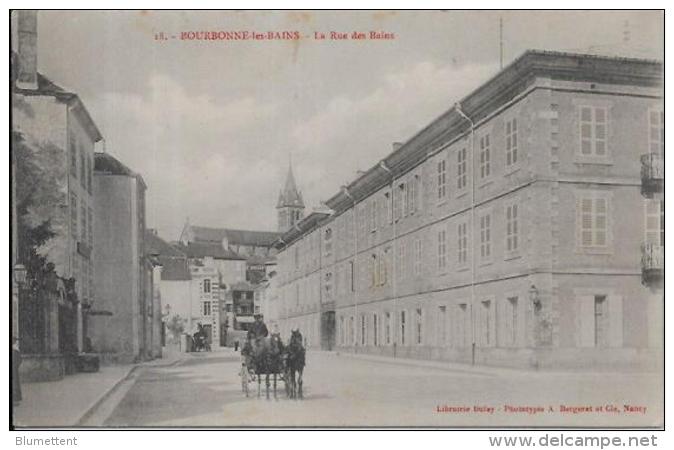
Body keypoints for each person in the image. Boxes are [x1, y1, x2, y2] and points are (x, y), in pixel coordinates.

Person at [12, 337, 21, 405]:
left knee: (15, 385)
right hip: (14, 370)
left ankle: (15, 400)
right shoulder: (15, 350)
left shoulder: (16, 350)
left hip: (14, 370)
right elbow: (19, 360)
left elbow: (19, 360)